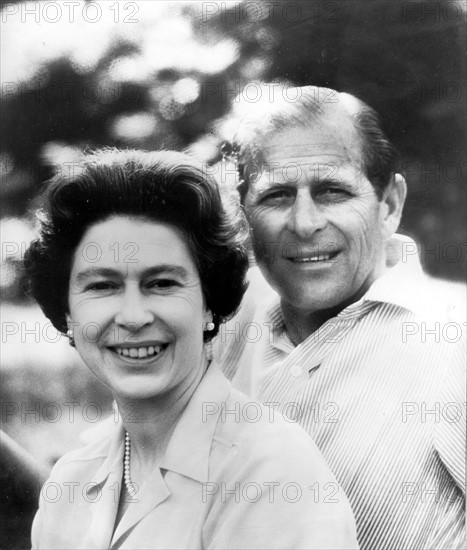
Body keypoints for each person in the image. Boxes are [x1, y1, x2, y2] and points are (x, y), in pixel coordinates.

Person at [24, 148, 358, 550]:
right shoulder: (72, 478)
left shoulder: (269, 472)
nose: (132, 317)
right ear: (68, 311)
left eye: (162, 283)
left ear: (209, 304)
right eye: (102, 286)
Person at [215, 85, 466, 550]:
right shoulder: (222, 323)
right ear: (245, 213)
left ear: (389, 205)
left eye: (332, 191)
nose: (305, 223)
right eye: (277, 195)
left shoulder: (454, 335)